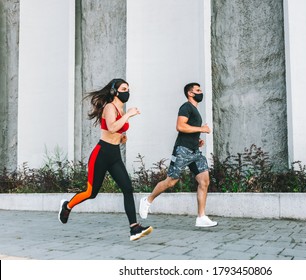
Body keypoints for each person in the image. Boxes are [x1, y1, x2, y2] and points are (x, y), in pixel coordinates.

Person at [58, 78, 153, 241]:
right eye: (124, 89)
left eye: (128, 89)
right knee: (91, 193)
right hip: (101, 154)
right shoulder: (110, 107)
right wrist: (129, 115)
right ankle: (67, 206)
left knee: (127, 188)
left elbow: (116, 130)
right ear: (114, 92)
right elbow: (111, 127)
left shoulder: (121, 110)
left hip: (114, 154)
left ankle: (134, 228)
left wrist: (122, 137)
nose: (127, 92)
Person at [139, 82, 218, 227]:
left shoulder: (194, 109)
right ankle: (148, 200)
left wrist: (198, 139)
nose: (201, 92)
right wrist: (202, 128)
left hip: (194, 151)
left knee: (204, 181)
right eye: (198, 90)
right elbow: (180, 126)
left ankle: (201, 217)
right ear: (190, 93)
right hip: (182, 150)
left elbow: (188, 129)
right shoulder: (186, 107)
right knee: (171, 181)